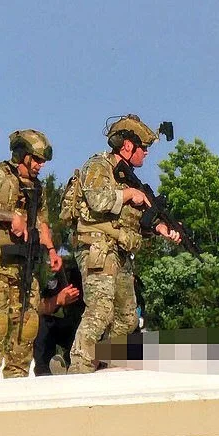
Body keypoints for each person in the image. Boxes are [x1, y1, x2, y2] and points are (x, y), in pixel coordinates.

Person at [67, 114, 180, 374]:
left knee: (128, 317)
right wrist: (130, 194)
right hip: (97, 247)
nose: (147, 154)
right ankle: (78, 370)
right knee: (100, 310)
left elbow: (134, 220)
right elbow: (97, 200)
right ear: (127, 146)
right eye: (144, 148)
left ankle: (103, 365)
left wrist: (162, 228)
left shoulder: (128, 177)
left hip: (120, 251)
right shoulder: (99, 165)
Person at [0, 129, 62, 379]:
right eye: (37, 159)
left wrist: (52, 251)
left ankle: (17, 382)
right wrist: (11, 216)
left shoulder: (37, 187)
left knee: (27, 322)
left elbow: (42, 223)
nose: (41, 165)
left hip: (26, 260)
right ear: (22, 155)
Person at [33, 264, 84, 375]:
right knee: (41, 323)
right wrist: (57, 300)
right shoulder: (45, 271)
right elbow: (35, 309)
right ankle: (44, 370)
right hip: (55, 327)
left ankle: (73, 364)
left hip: (80, 327)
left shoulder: (84, 272)